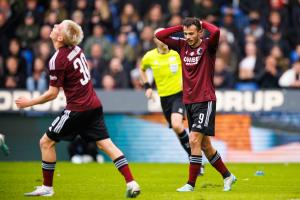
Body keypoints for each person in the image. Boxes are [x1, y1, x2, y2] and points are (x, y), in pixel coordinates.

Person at [15, 20, 140, 198]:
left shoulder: (57, 59)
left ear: (60, 37)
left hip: (78, 108)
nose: (55, 25)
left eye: (58, 26)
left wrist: (30, 102)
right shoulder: (77, 49)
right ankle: (132, 182)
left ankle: (47, 187)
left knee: (45, 142)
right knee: (106, 144)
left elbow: (52, 94)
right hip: (94, 104)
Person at [155, 17, 236, 192]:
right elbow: (160, 35)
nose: (188, 37)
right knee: (205, 146)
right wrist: (180, 27)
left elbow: (216, 31)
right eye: (185, 34)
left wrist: (202, 22)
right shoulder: (182, 45)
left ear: (200, 32)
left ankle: (190, 184)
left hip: (205, 100)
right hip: (189, 101)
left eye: (191, 33)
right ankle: (228, 176)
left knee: (193, 140)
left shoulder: (208, 46)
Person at [140, 28, 205, 175]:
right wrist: (147, 87)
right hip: (164, 98)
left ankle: (195, 159)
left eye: (166, 36)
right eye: (159, 37)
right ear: (155, 40)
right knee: (177, 130)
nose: (163, 40)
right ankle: (194, 157)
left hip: (180, 95)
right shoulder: (149, 56)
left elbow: (192, 65)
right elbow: (142, 69)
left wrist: (188, 81)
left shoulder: (177, 53)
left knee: (177, 124)